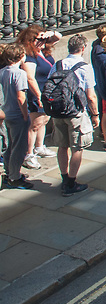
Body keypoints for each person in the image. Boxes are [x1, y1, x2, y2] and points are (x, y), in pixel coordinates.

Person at [51, 35, 99, 195]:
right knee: (77, 147)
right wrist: (95, 114)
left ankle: (64, 179)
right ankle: (71, 183)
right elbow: (91, 96)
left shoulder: (58, 64)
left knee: (62, 146)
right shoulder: (85, 67)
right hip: (76, 112)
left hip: (58, 111)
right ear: (84, 48)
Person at [18, 26, 57, 170]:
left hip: (46, 91)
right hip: (36, 93)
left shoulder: (42, 51)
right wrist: (39, 95)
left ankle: (39, 147)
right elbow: (30, 77)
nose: (43, 41)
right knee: (34, 124)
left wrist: (49, 34)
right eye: (39, 39)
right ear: (30, 39)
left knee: (44, 120)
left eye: (43, 38)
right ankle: (29, 155)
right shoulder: (29, 55)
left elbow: (57, 36)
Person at [1, 43, 31, 189]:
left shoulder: (2, 72)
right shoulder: (19, 74)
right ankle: (15, 177)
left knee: (9, 146)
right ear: (20, 56)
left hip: (5, 114)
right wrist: (25, 115)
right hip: (17, 115)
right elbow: (21, 97)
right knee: (19, 148)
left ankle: (9, 172)